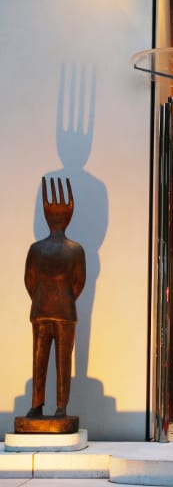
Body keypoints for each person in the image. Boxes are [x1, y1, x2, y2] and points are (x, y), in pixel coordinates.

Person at [24, 177, 86, 418]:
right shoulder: (75, 250)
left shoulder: (37, 249)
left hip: (43, 310)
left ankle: (39, 405)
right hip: (63, 312)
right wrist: (64, 298)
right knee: (61, 362)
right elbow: (78, 283)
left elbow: (30, 282)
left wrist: (43, 297)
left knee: (40, 360)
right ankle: (58, 406)